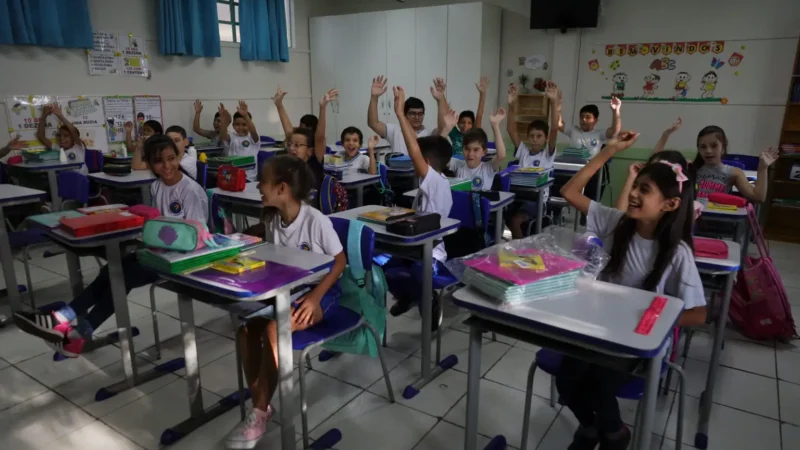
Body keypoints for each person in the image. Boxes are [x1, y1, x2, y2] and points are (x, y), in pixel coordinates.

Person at [559, 130, 707, 450]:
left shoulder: (676, 252)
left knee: (598, 382)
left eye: (645, 190)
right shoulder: (615, 221)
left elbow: (697, 314)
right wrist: (607, 152)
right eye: (636, 186)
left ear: (670, 204)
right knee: (566, 379)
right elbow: (569, 191)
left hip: (637, 344)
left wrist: (649, 318)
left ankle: (614, 434)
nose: (635, 194)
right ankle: (590, 427)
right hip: (597, 331)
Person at [13, 135, 209, 357]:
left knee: (119, 277)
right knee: (110, 272)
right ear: (150, 164)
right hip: (159, 252)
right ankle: (70, 328)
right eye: (159, 161)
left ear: (179, 156)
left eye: (171, 158)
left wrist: (156, 239)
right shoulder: (157, 186)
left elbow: (196, 235)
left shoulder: (189, 190)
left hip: (184, 258)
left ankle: (66, 325)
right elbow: (160, 225)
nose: (166, 166)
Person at [224, 155, 346, 449]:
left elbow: (340, 263)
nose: (257, 187)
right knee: (245, 331)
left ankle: (258, 412)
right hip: (288, 292)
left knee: (272, 332)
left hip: (322, 293)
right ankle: (262, 405)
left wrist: (315, 297)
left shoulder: (316, 221)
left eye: (262, 182)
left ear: (282, 189)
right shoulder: (274, 220)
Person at [385, 85, 453, 316]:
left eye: (417, 161)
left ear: (426, 162)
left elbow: (414, 149)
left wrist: (400, 115)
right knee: (389, 267)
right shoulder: (428, 185)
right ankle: (408, 297)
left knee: (417, 271)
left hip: (432, 251)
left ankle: (429, 303)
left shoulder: (437, 182)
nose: (413, 164)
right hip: (415, 244)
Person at [653, 122, 779, 202]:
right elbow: (655, 164)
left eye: (714, 146)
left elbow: (758, 197)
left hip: (717, 221)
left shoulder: (734, 173)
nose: (708, 151)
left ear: (723, 146)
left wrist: (762, 168)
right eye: (703, 147)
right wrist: (666, 135)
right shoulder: (691, 167)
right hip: (691, 220)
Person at [506, 81, 560, 239]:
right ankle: (518, 242)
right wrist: (512, 104)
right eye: (532, 136)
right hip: (519, 196)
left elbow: (555, 128)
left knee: (515, 220)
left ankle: (521, 250)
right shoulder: (523, 151)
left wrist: (553, 101)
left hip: (537, 201)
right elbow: (511, 129)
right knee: (501, 213)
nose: (535, 139)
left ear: (545, 138)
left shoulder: (547, 154)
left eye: (539, 136)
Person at [442, 107, 507, 191]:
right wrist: (446, 129)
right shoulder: (458, 165)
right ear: (462, 149)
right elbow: (438, 154)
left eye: (476, 150)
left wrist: (495, 126)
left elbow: (501, 155)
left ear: (484, 152)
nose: (470, 154)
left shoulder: (488, 168)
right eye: (467, 149)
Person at [367, 75, 432, 156]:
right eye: (412, 113)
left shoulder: (429, 134)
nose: (417, 117)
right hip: (396, 168)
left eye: (420, 114)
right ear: (405, 114)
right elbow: (373, 123)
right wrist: (374, 97)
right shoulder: (395, 130)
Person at [433, 76, 489, 156]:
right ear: (458, 123)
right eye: (462, 122)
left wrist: (483, 94)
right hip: (454, 164)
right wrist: (441, 95)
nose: (465, 125)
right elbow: (446, 112)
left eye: (469, 123)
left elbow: (480, 114)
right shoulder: (455, 133)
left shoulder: (475, 135)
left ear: (473, 125)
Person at [36, 103, 87, 174]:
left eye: (66, 135)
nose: (61, 138)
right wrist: (44, 116)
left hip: (81, 181)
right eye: (59, 135)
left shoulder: (78, 147)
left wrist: (60, 115)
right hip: (66, 180)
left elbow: (73, 131)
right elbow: (41, 137)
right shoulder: (58, 149)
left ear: (74, 138)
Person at [132, 125, 197, 180]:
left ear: (186, 142)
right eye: (169, 141)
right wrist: (138, 147)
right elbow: (137, 166)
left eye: (177, 140)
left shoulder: (189, 160)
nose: (173, 144)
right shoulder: (165, 159)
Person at [219, 101, 260, 181]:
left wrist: (246, 116)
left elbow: (253, 132)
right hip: (231, 176)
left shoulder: (252, 137)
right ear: (233, 125)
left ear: (249, 124)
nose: (240, 128)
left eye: (244, 124)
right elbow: (223, 136)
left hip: (248, 177)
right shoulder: (232, 136)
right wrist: (224, 122)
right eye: (237, 124)